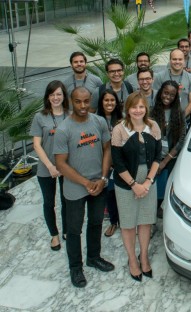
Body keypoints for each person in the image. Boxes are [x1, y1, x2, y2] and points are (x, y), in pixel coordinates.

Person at [54, 87, 114, 288]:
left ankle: (93, 257)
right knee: (73, 229)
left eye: (86, 101)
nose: (82, 106)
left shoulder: (99, 122)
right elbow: (61, 164)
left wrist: (103, 178)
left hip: (99, 184)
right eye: (78, 102)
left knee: (96, 222)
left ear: (91, 101)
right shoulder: (64, 129)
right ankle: (75, 267)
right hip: (76, 188)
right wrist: (86, 183)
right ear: (71, 102)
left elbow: (107, 149)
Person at [111, 91, 161, 281]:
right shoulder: (120, 130)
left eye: (141, 107)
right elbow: (118, 162)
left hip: (148, 180)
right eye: (134, 107)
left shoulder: (153, 126)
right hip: (126, 183)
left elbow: (157, 156)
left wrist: (147, 182)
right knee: (129, 223)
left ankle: (145, 257)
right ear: (127, 109)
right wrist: (134, 185)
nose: (138, 110)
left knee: (145, 221)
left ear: (145, 108)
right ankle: (133, 260)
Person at [30, 80, 70, 251]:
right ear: (48, 96)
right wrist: (50, 166)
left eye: (59, 94)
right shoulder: (40, 117)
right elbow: (37, 145)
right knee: (49, 203)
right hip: (47, 168)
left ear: (64, 96)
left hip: (67, 168)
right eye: (52, 94)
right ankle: (54, 235)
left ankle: (67, 230)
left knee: (67, 200)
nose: (56, 98)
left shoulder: (70, 114)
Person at [150, 80, 187, 218]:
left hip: (171, 158)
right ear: (160, 92)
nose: (168, 97)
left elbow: (181, 139)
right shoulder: (152, 111)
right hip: (154, 156)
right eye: (166, 93)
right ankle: (151, 216)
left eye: (172, 95)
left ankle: (162, 210)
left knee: (166, 187)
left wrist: (165, 161)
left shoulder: (179, 113)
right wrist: (156, 161)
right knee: (153, 188)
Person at [96, 90, 122, 238]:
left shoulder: (121, 119)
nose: (109, 103)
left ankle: (124, 221)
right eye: (106, 100)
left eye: (112, 100)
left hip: (119, 162)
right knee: (109, 193)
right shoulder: (95, 119)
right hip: (102, 162)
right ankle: (113, 222)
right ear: (101, 102)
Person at [154, 49, 191, 119]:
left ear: (184, 61)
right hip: (163, 119)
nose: (177, 62)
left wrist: (182, 117)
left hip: (183, 120)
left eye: (180, 59)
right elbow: (155, 99)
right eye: (174, 59)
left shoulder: (190, 78)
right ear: (170, 60)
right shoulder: (160, 77)